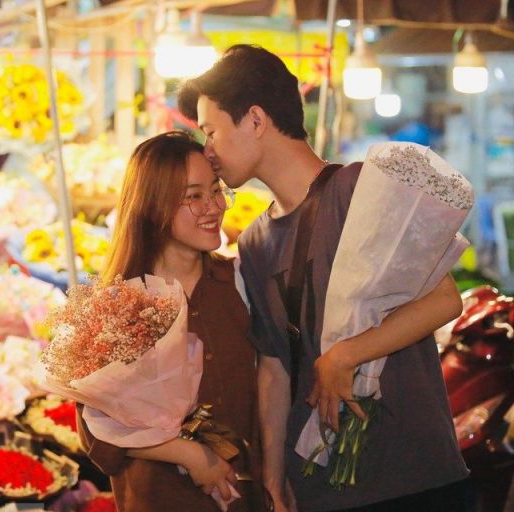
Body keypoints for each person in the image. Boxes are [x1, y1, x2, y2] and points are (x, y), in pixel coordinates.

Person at [178, 45, 468, 512]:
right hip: (318, 483)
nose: (207, 151)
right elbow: (273, 366)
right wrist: (273, 472)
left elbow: (444, 300)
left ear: (254, 119)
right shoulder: (253, 243)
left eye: (210, 131)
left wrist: (346, 355)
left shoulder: (358, 191)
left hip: (411, 472)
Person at [77, 131, 264, 512]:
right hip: (157, 499)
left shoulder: (242, 283)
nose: (213, 207)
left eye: (215, 191)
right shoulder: (119, 303)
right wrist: (189, 454)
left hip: (244, 497)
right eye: (193, 196)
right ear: (153, 204)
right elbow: (97, 436)